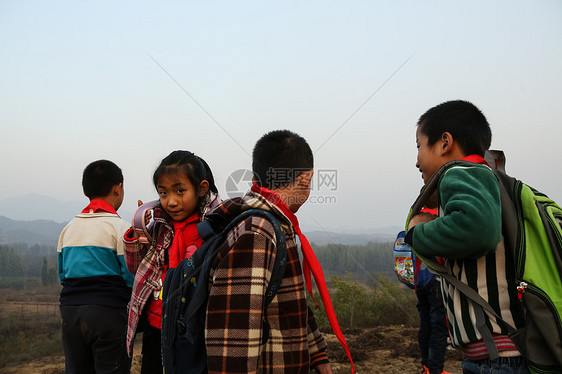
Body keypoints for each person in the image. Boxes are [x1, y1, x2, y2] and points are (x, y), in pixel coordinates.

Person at [203, 129, 351, 374]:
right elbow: (235, 333)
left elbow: (291, 301)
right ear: (306, 179)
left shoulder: (275, 223)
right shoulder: (258, 233)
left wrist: (317, 356)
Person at [404, 100, 528, 374]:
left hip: (499, 359)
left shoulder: (461, 171)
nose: (416, 161)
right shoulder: (485, 178)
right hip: (498, 355)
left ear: (444, 142)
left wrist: (417, 233)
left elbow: (478, 230)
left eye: (419, 146)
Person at [124, 150, 219, 374]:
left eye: (180, 191)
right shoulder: (159, 227)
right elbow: (134, 266)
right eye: (163, 193)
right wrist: (139, 231)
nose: (171, 202)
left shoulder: (212, 228)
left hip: (195, 329)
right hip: (157, 325)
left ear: (202, 188)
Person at [57, 159, 134, 374]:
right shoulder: (121, 228)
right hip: (108, 313)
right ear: (118, 188)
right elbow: (129, 276)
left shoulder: (68, 229)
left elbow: (63, 275)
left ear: (86, 190)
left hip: (70, 314)